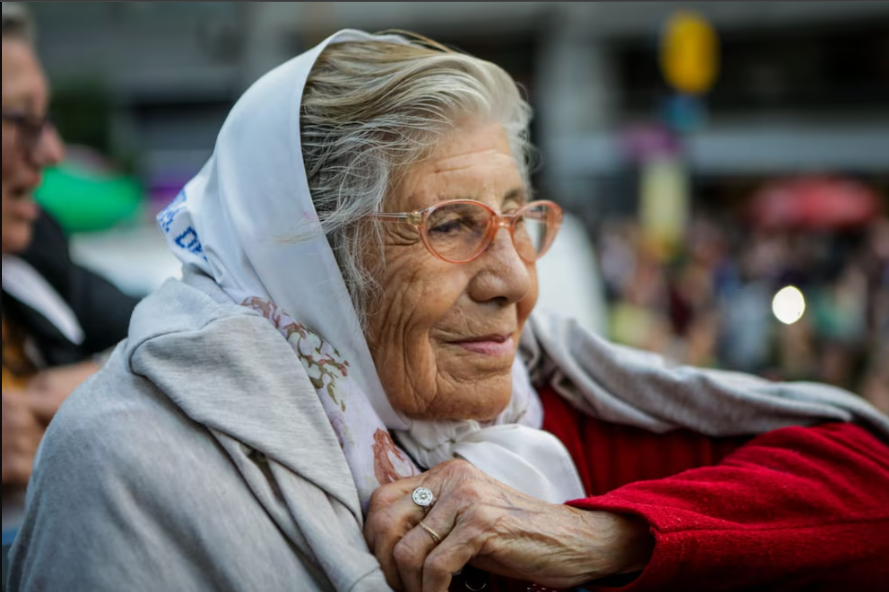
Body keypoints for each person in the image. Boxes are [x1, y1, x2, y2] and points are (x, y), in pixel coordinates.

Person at [8, 29, 889, 592]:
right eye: (452, 226)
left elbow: (866, 488)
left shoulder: (533, 407)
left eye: (518, 219)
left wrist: (589, 537)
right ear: (312, 256)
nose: (515, 280)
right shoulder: (131, 462)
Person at [2, 1, 140, 518]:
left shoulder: (33, 250)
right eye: (22, 119)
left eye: (47, 119)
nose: (51, 152)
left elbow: (178, 330)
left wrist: (96, 384)